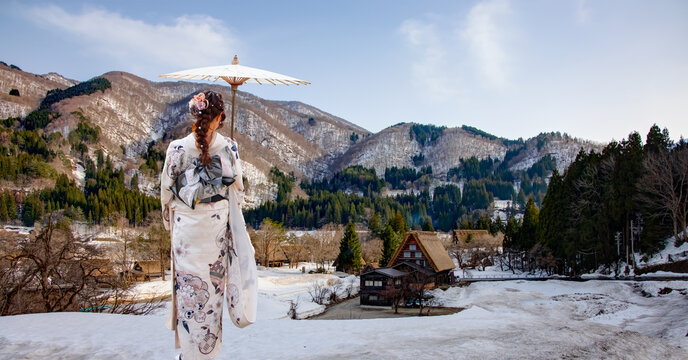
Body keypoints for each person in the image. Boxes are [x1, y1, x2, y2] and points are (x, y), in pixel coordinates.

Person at [160, 90, 257, 360]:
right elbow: (237, 188)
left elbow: (166, 194)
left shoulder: (177, 148)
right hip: (214, 229)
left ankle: (190, 355)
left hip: (186, 232)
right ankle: (207, 355)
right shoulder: (228, 147)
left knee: (190, 291)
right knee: (211, 295)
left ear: (196, 114)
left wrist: (175, 222)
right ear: (219, 117)